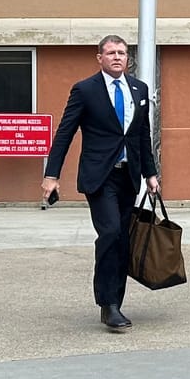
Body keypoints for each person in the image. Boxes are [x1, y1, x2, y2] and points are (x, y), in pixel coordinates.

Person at [43, 35, 160, 332]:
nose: (117, 57)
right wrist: (51, 175)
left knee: (122, 238)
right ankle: (107, 303)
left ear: (127, 58)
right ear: (100, 58)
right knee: (109, 233)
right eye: (110, 53)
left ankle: (116, 303)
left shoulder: (139, 89)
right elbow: (65, 133)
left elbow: (141, 137)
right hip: (100, 176)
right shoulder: (85, 90)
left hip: (129, 175)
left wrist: (151, 174)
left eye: (121, 52)